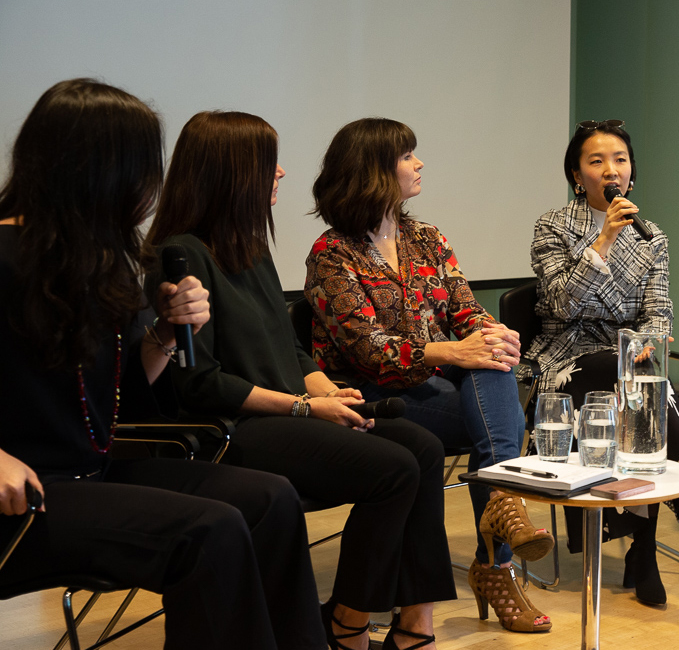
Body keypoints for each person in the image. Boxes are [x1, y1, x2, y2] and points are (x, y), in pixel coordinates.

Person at [0, 79, 326, 650]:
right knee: (210, 530)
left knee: (270, 499)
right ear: (98, 171)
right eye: (142, 169)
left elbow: (116, 397)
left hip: (89, 477)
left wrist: (167, 335)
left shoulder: (94, 263)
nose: (150, 187)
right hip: (25, 498)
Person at [146, 111, 454, 650]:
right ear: (232, 172)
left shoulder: (250, 247)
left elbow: (288, 349)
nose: (282, 173)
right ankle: (348, 623)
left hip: (289, 411)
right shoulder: (182, 256)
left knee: (423, 448)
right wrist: (304, 409)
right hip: (235, 427)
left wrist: (323, 391)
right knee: (394, 468)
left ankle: (410, 623)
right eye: (270, 163)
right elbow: (201, 384)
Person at [304, 118, 552, 634]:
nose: (419, 164)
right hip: (368, 399)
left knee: (492, 366)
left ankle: (501, 530)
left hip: (433, 391)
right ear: (373, 170)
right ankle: (500, 556)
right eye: (407, 156)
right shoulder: (332, 255)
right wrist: (455, 352)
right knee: (489, 400)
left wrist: (492, 334)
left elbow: (466, 311)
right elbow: (370, 352)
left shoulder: (428, 238)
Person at [523, 119, 679, 606]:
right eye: (597, 161)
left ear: (632, 172)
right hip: (567, 360)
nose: (611, 169)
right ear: (577, 174)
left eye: (620, 160)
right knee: (637, 384)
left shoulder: (652, 236)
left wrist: (646, 342)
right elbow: (562, 305)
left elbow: (658, 311)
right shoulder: (553, 226)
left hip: (627, 361)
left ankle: (643, 549)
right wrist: (602, 242)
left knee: (640, 379)